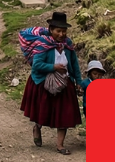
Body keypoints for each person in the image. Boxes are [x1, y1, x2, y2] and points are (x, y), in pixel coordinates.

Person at [20, 11, 84, 156]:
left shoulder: (67, 44)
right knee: (43, 112)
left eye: (64, 31)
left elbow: (74, 64)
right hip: (44, 83)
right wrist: (53, 67)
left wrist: (78, 81)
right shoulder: (43, 44)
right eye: (58, 31)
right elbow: (37, 65)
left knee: (65, 114)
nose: (61, 34)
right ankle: (37, 127)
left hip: (64, 82)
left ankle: (60, 145)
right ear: (50, 30)